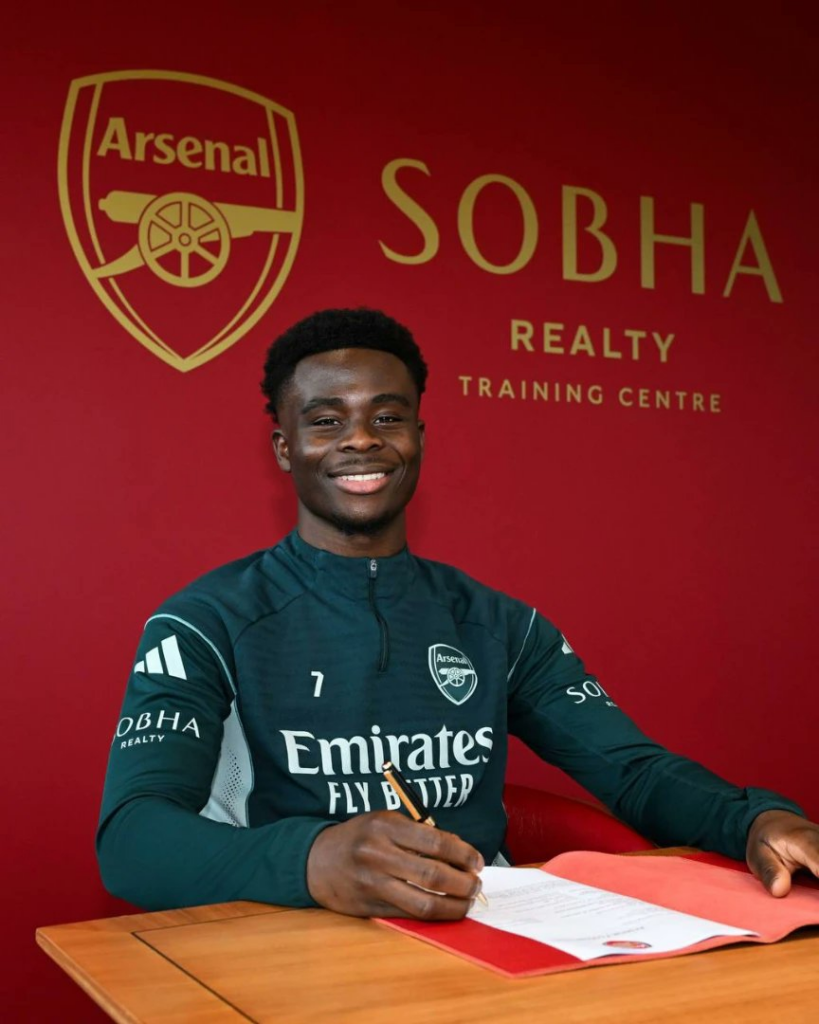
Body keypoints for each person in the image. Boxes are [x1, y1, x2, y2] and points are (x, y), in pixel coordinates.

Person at [97, 307, 819, 919]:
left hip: (480, 941)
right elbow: (131, 841)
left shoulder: (498, 624)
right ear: (286, 449)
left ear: (419, 438)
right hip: (288, 945)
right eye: (326, 420)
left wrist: (755, 818)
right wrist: (314, 857)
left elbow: (632, 772)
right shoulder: (205, 622)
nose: (361, 439)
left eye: (387, 417)